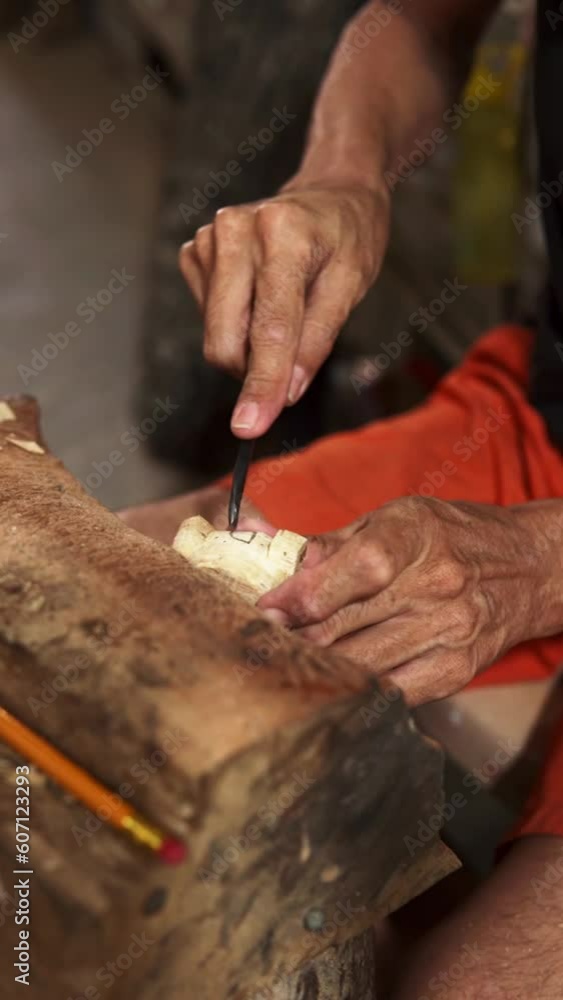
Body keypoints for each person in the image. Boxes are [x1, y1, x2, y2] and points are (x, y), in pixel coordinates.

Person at [121, 2, 563, 995]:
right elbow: (418, 17)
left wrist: (539, 561)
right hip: (544, 426)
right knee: (79, 603)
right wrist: (342, 175)